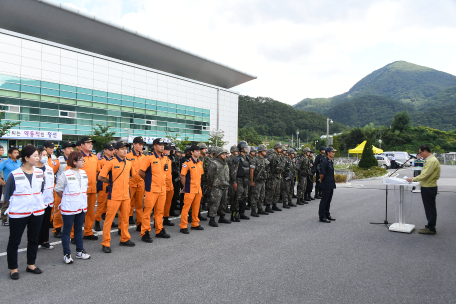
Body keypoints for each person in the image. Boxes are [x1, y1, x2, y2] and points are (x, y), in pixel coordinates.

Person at [4, 145, 44, 280]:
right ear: (26, 158)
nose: (38, 158)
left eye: (38, 155)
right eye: (35, 155)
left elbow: (40, 190)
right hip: (19, 212)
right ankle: (13, 268)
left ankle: (31, 264)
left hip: (37, 211)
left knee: (33, 239)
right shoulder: (14, 175)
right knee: (14, 241)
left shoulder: (39, 172)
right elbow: (8, 195)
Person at [98, 141, 136, 253]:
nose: (125, 151)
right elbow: (100, 177)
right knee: (109, 220)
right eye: (122, 149)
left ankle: (125, 238)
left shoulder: (129, 162)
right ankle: (105, 243)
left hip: (126, 195)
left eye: (126, 149)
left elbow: (132, 175)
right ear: (116, 151)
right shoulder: (111, 162)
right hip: (114, 195)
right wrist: (110, 182)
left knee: (125, 219)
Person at [55, 151, 91, 263]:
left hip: (81, 206)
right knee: (67, 230)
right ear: (74, 161)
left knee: (79, 230)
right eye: (81, 160)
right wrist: (67, 198)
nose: (83, 162)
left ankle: (80, 251)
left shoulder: (84, 173)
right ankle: (67, 254)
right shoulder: (65, 174)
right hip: (69, 207)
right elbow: (58, 189)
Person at [138, 138, 170, 242]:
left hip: (162, 188)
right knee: (147, 212)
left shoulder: (165, 158)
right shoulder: (149, 158)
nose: (162, 146)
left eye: (163, 145)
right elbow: (141, 172)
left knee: (160, 211)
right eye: (160, 144)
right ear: (154, 146)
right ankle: (145, 232)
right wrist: (148, 181)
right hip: (151, 189)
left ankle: (159, 230)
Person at [406, 145, 441, 235]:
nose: (420, 155)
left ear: (425, 151)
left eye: (421, 153)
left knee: (430, 208)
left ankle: (431, 228)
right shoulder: (430, 160)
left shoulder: (431, 161)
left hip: (429, 187)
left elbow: (425, 174)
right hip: (428, 185)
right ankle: (430, 226)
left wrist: (413, 179)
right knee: (429, 207)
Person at [179, 144, 205, 234]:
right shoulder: (187, 163)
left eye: (199, 151)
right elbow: (182, 176)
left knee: (196, 208)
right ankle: (183, 225)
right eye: (196, 151)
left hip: (198, 189)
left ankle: (195, 223)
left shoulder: (200, 163)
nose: (198, 152)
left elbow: (200, 176)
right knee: (186, 208)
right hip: (190, 189)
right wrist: (185, 186)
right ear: (192, 152)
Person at [53, 141, 76, 238]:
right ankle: (57, 229)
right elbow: (52, 173)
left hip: (71, 189)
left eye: (72, 148)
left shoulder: (74, 160)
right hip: (60, 189)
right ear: (63, 150)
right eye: (69, 148)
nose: (71, 150)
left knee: (71, 210)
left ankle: (70, 230)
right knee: (58, 209)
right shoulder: (59, 161)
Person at [79, 137, 99, 240]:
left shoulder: (94, 157)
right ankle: (74, 235)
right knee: (78, 212)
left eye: (91, 143)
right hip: (80, 190)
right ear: (82, 145)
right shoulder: (77, 157)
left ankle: (88, 232)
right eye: (88, 143)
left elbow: (99, 171)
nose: (90, 145)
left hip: (92, 188)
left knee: (91, 212)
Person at [36, 148, 55, 250]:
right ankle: (35, 241)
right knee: (36, 222)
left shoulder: (49, 168)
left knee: (46, 221)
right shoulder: (33, 169)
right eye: (42, 155)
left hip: (48, 199)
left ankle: (44, 241)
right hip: (37, 199)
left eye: (45, 155)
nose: (44, 157)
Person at [94, 143, 115, 231]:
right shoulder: (101, 161)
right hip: (103, 186)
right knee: (101, 205)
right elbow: (98, 174)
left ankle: (110, 221)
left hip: (111, 186)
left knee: (110, 206)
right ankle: (97, 222)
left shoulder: (114, 160)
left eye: (112, 149)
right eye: (109, 150)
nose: (111, 151)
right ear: (105, 150)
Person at [207, 148, 231, 226]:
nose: (225, 155)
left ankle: (222, 217)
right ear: (218, 155)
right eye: (223, 154)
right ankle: (212, 219)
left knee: (224, 202)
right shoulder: (214, 163)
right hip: (217, 186)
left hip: (225, 185)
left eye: (225, 154)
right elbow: (209, 176)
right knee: (215, 203)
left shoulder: (225, 163)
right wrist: (211, 185)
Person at [126, 137, 146, 229]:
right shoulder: (128, 156)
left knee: (139, 204)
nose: (141, 146)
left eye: (142, 144)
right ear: (134, 144)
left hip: (141, 183)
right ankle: (125, 222)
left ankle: (139, 223)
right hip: (130, 183)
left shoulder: (144, 157)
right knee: (128, 204)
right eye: (139, 144)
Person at [0, 147, 22, 226]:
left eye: (17, 153)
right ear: (10, 154)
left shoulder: (19, 162)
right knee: (6, 202)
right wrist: (2, 181)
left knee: (18, 201)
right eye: (15, 153)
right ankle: (4, 219)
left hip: (18, 185)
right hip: (8, 185)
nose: (17, 154)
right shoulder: (5, 162)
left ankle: (17, 217)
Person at [318, 147, 337, 223]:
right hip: (326, 184)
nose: (334, 153)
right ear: (328, 153)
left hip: (331, 183)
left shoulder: (330, 161)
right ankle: (322, 216)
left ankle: (327, 214)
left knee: (328, 200)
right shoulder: (325, 162)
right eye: (332, 152)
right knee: (324, 200)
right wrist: (321, 180)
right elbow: (322, 173)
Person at [233, 141, 251, 221]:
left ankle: (242, 213)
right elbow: (234, 171)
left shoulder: (247, 158)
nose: (246, 149)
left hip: (246, 180)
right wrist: (234, 182)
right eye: (245, 147)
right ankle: (235, 215)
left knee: (244, 197)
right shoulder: (237, 158)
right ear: (241, 149)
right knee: (238, 198)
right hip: (239, 180)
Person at [250, 144, 269, 216]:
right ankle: (253, 210)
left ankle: (260, 209)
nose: (265, 152)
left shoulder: (265, 160)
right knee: (255, 196)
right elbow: (251, 170)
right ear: (260, 151)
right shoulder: (255, 159)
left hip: (263, 181)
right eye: (264, 151)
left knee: (262, 196)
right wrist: (252, 181)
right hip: (257, 181)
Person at [265, 142, 285, 212]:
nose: (281, 149)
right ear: (276, 148)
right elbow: (266, 163)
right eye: (280, 148)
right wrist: (268, 172)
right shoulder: (272, 155)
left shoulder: (279, 156)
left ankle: (274, 205)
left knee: (277, 192)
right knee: (271, 191)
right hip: (272, 177)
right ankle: (268, 206)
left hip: (278, 176)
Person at [163, 143, 176, 227]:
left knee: (168, 203)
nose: (169, 151)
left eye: (169, 150)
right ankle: (158, 221)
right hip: (163, 185)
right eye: (167, 150)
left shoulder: (169, 160)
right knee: (160, 205)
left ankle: (166, 218)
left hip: (170, 185)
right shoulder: (161, 159)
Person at [226, 146, 239, 214]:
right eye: (236, 151)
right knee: (229, 194)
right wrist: (234, 181)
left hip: (235, 179)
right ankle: (226, 207)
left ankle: (232, 207)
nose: (237, 152)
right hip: (230, 179)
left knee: (233, 194)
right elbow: (231, 171)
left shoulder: (236, 159)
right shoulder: (229, 159)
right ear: (232, 152)